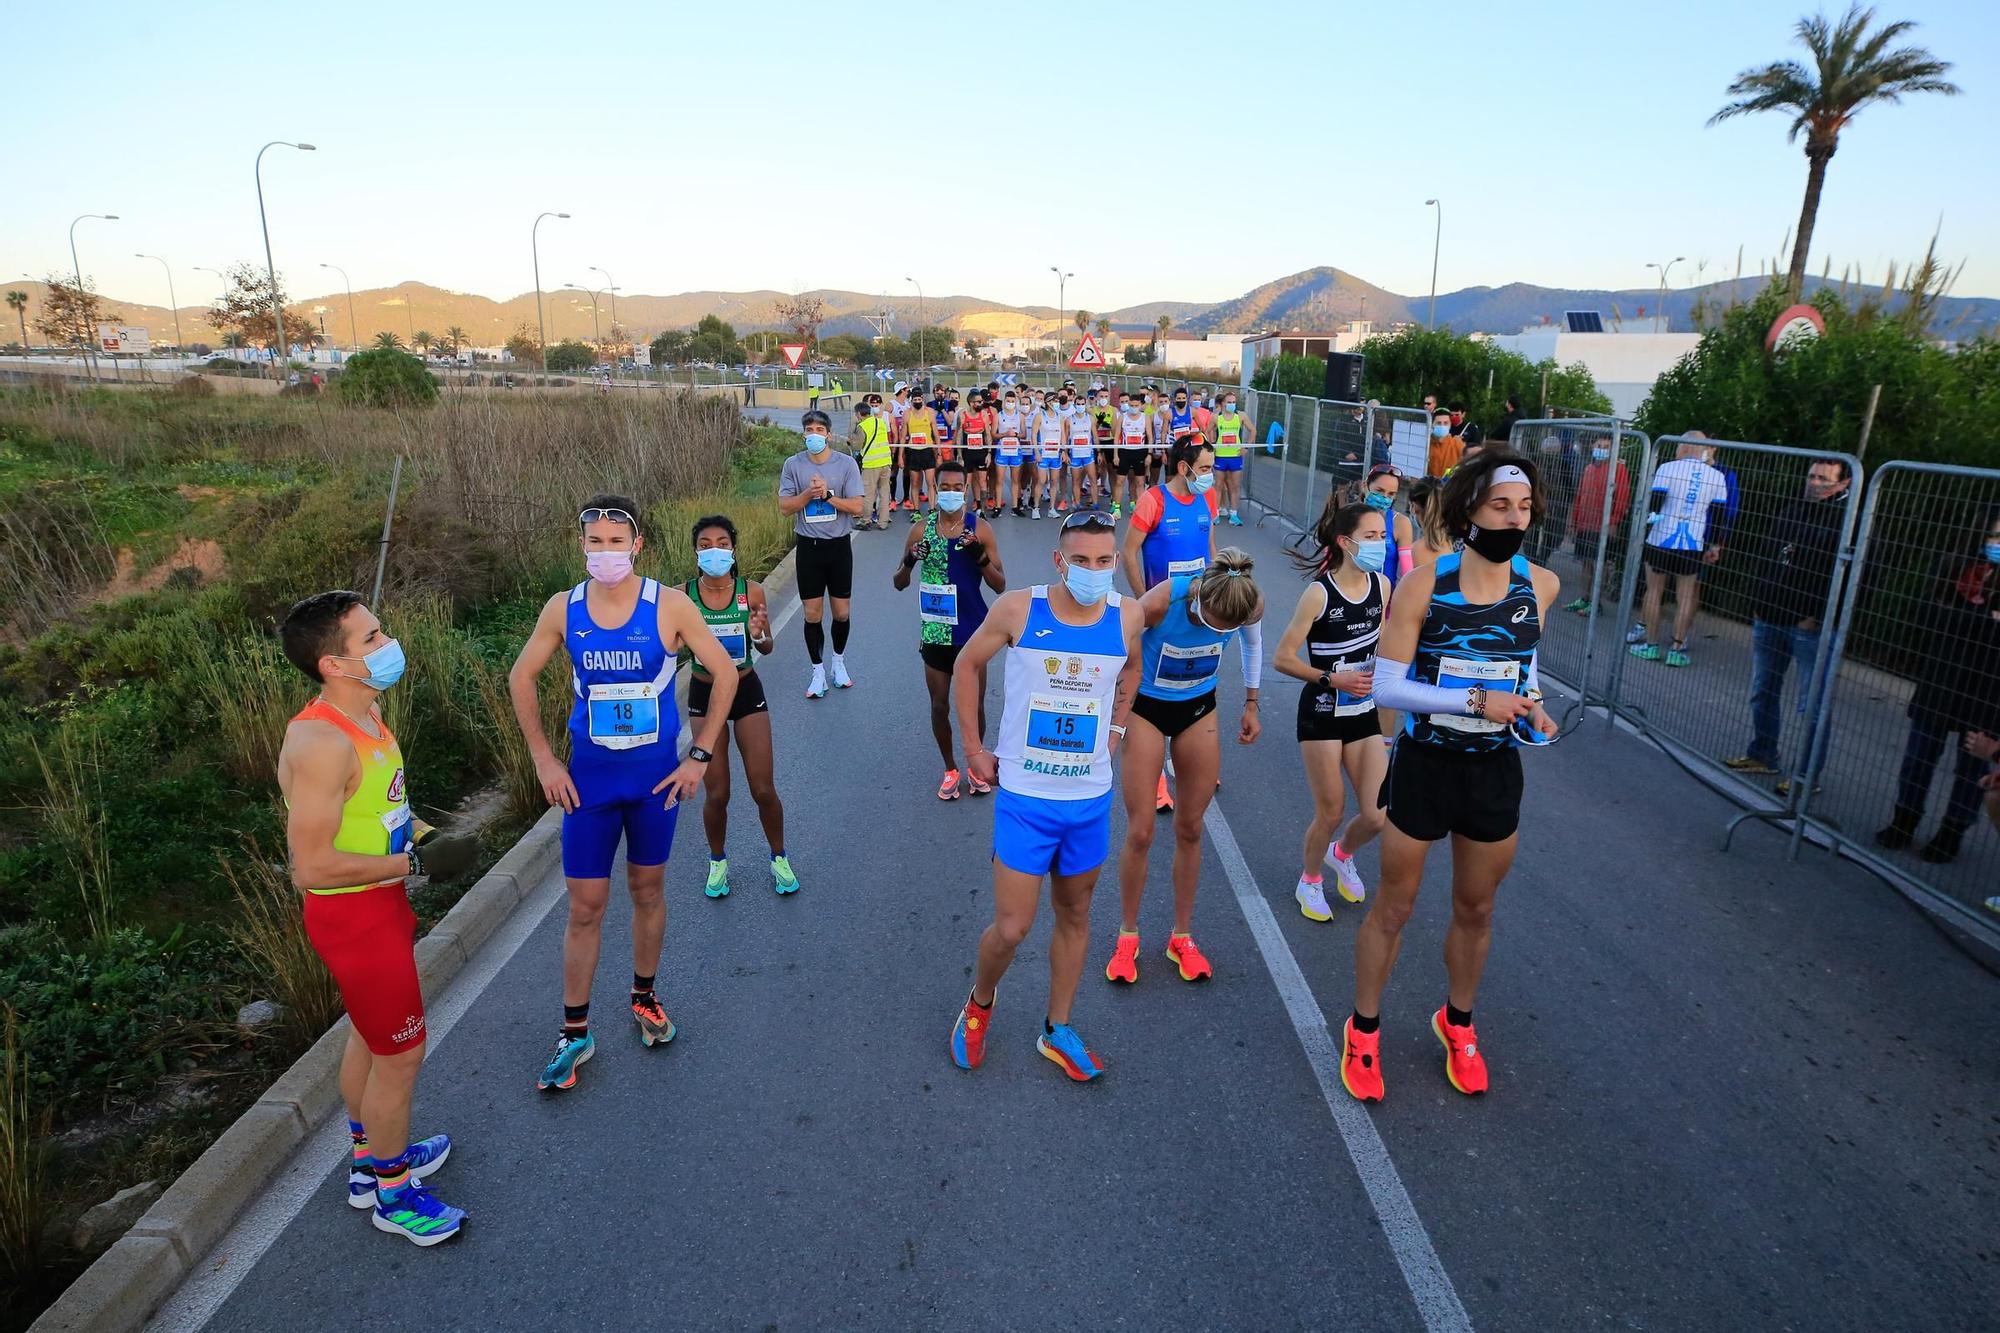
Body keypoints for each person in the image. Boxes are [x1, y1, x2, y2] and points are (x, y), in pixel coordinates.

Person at [1344, 452, 1559, 1103]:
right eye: (1501, 506)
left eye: (1523, 508)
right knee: (1396, 904)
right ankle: (1364, 1030)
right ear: (1470, 509)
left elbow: (1522, 670)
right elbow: (1387, 685)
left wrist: (1532, 706)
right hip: (1427, 764)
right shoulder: (1424, 584)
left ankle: (1457, 1022)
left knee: (1477, 905)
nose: (1515, 518)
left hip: (1494, 768)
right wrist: (1472, 701)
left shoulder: (1540, 585)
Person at [508, 498, 738, 1094]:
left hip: (654, 784)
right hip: (589, 784)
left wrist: (700, 755)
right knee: (585, 907)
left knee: (647, 891)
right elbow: (521, 676)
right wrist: (543, 760)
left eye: (615, 541)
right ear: (581, 544)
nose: (603, 551)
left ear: (636, 546)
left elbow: (727, 672)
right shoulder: (565, 608)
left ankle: (644, 997)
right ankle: (575, 1029)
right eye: (593, 540)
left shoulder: (670, 605)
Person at [277, 590, 477, 1245]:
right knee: (402, 1054)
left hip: (381, 909)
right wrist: (413, 869)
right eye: (371, 638)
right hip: (354, 919)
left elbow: (383, 807)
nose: (388, 643)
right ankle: (395, 1195)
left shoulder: (369, 713)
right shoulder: (320, 743)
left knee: (369, 1037)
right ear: (333, 664)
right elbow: (310, 867)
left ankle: (369, 1162)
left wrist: (422, 837)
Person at [948, 511, 1143, 1082]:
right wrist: (973, 746)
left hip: (1087, 799)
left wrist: (1116, 731)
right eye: (1081, 560)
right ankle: (980, 1003)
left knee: (1076, 914)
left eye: (1105, 561)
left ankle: (1057, 1028)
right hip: (1026, 797)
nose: (1094, 570)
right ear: (1060, 561)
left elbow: (1129, 672)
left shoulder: (1126, 615)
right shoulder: (1019, 609)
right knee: (1011, 928)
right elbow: (967, 663)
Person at [1103, 552, 1264, 986]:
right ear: (1200, 599)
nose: (1221, 631)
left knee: (1191, 828)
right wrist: (1111, 720)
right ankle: (1128, 935)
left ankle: (1182, 936)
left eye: (1228, 626)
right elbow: (1118, 646)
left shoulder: (1244, 600)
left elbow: (1252, 642)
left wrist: (1251, 702)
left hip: (1198, 708)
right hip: (1148, 710)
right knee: (1140, 831)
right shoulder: (1163, 601)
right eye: (1214, 621)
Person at [1277, 502, 1391, 920]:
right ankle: (1309, 881)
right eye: (1372, 537)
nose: (1381, 544)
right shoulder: (1319, 594)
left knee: (1378, 816)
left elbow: (1384, 646)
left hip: (1362, 711)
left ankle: (1340, 854)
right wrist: (1331, 678)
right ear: (1346, 543)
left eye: (1383, 536)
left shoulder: (1383, 585)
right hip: (1323, 711)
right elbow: (1283, 658)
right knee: (1331, 809)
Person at [1875, 510, 2000, 864]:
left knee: (1972, 765)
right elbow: (1927, 614)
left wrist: (1962, 621)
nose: (1997, 545)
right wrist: (1983, 620)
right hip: (1941, 679)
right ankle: (1905, 819)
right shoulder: (1952, 567)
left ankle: (1952, 831)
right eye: (1994, 537)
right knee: (1919, 756)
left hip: (1987, 689)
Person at [683, 515, 795, 898]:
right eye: (705, 544)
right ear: (695, 551)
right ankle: (717, 862)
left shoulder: (753, 591)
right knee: (717, 794)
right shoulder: (681, 597)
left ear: (734, 548)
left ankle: (779, 857)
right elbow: (666, 648)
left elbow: (766, 648)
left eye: (722, 543)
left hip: (746, 691)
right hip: (704, 696)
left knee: (763, 788)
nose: (714, 550)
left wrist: (761, 634)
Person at [1723, 459, 1851, 787]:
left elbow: (1855, 578)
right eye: (1811, 475)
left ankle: (1807, 778)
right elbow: (1767, 554)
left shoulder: (1850, 522)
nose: (1814, 482)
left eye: (1823, 478)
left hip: (1810, 627)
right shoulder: (1793, 507)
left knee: (1812, 705)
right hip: (1770, 616)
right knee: (1762, 690)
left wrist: (1819, 616)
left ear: (1843, 483)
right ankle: (1763, 754)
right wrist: (1757, 601)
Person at [894, 457, 1007, 800]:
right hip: (936, 632)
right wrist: (911, 560)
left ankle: (977, 766)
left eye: (958, 488)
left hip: (974, 632)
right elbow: (899, 582)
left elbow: (1000, 585)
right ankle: (950, 768)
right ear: (935, 490)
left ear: (968, 490)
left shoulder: (980, 530)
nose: (952, 493)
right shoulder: (920, 530)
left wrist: (980, 556)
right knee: (939, 704)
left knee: (975, 706)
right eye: (945, 488)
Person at [778, 410, 866, 697]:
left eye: (819, 430)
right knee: (812, 614)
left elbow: (857, 508)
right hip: (808, 547)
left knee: (841, 613)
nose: (814, 435)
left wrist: (828, 496)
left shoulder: (846, 464)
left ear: (828, 434)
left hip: (839, 546)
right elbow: (785, 507)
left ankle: (838, 663)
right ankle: (817, 672)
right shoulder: (793, 465)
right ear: (804, 434)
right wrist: (809, 494)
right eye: (809, 430)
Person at [1629, 434, 1729, 668]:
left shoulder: (1668, 468)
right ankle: (1676, 648)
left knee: (1654, 591)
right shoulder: (1716, 476)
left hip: (1661, 538)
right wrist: (1714, 544)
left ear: (1684, 447)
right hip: (1693, 543)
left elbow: (1654, 504)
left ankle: (1651, 645)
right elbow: (1719, 515)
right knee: (1685, 596)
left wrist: (1647, 527)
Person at [1561, 434, 1632, 614]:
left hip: (1604, 526)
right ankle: (1584, 598)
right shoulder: (1588, 469)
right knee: (1586, 563)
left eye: (1606, 446)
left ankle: (1596, 604)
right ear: (1593, 446)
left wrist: (1614, 521)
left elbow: (1623, 498)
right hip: (1586, 525)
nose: (1601, 449)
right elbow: (1580, 496)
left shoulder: (1618, 469)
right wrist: (1573, 521)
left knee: (1601, 564)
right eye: (1599, 445)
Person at [1208, 389, 1250, 526]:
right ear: (1223, 403)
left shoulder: (1241, 416)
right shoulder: (1216, 417)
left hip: (1235, 456)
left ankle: (1234, 515)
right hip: (1220, 456)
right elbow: (1207, 431)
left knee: (1235, 486)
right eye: (1229, 402)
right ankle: (1215, 514)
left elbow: (1253, 430)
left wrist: (1246, 448)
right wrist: (1211, 446)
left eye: (1234, 402)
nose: (1231, 404)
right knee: (1218, 485)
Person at [853, 397, 895, 530]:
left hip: (871, 464)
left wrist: (851, 442)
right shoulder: (880, 422)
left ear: (859, 414)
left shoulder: (862, 426)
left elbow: (857, 446)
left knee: (868, 494)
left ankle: (865, 520)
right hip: (886, 461)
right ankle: (883, 522)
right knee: (884, 492)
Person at [1113, 389, 1152, 519]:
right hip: (1124, 452)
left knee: (1139, 482)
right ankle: (1117, 508)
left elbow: (1150, 438)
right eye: (1131, 406)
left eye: (1136, 406)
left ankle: (1139, 508)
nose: (1133, 408)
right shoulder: (1122, 417)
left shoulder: (1145, 418)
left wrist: (1149, 454)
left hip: (1140, 453)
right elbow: (1117, 436)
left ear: (1140, 405)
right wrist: (1115, 455)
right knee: (1120, 480)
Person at [902, 391, 941, 520]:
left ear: (922, 399)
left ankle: (932, 509)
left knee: (931, 482)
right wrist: (900, 456)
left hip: (927, 451)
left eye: (919, 399)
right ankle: (916, 510)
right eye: (915, 400)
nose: (917, 401)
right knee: (915, 482)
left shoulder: (929, 412)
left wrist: (939, 452)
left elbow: (936, 434)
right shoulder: (907, 414)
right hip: (913, 451)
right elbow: (903, 436)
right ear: (911, 400)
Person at [959, 389, 995, 517]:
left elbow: (987, 434)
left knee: (982, 481)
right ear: (971, 402)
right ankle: (962, 510)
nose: (981, 403)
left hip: (981, 453)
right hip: (967, 453)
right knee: (966, 483)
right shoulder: (963, 415)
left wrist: (989, 453)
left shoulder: (984, 414)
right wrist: (959, 455)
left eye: (981, 401)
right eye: (978, 401)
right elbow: (958, 435)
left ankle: (982, 510)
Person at [1031, 392, 1066, 518]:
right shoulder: (1040, 416)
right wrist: (1036, 452)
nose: (1057, 403)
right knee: (1041, 480)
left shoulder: (1060, 417)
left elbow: (1063, 435)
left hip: (1055, 453)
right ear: (1048, 402)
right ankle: (1036, 508)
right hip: (1043, 453)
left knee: (1054, 481)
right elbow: (1034, 434)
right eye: (1055, 400)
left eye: (1058, 401)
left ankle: (1052, 508)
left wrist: (1063, 451)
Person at [994, 389, 1029, 516]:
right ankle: (997, 507)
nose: (1010, 403)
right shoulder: (999, 415)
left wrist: (1015, 434)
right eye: (1008, 401)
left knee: (1016, 480)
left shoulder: (1020, 416)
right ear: (1004, 402)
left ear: (1016, 402)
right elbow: (994, 434)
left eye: (1012, 401)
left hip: (1015, 451)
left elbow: (1024, 434)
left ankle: (1015, 506)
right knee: (999, 479)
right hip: (1002, 451)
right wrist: (1004, 434)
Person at [1065, 393, 1098, 510]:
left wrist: (1099, 452)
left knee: (1093, 479)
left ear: (1085, 405)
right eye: (1078, 404)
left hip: (1088, 454)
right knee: (1076, 480)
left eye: (1082, 404)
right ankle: (1077, 503)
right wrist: (1065, 452)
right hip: (1075, 455)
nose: (1080, 406)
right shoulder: (1069, 420)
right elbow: (1066, 438)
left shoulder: (1091, 419)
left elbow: (1095, 436)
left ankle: (1095, 504)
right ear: (1074, 405)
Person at [1425, 408, 1464, 479]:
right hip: (1427, 486)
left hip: (1449, 487)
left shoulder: (1458, 444)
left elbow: (1464, 466)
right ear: (1432, 424)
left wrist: (1446, 479)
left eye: (1446, 423)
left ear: (1450, 425)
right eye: (1438, 423)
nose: (1442, 426)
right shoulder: (1425, 444)